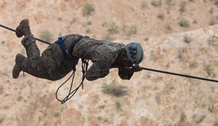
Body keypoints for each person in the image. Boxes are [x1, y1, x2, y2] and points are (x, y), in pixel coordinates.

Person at [12, 19, 143, 81]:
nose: (131, 65)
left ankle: (22, 63)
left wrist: (129, 70)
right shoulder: (106, 58)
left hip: (73, 52)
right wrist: (118, 68)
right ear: (125, 57)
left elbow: (120, 69)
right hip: (65, 47)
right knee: (40, 65)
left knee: (54, 75)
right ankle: (26, 33)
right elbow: (90, 76)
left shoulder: (120, 48)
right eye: (131, 63)